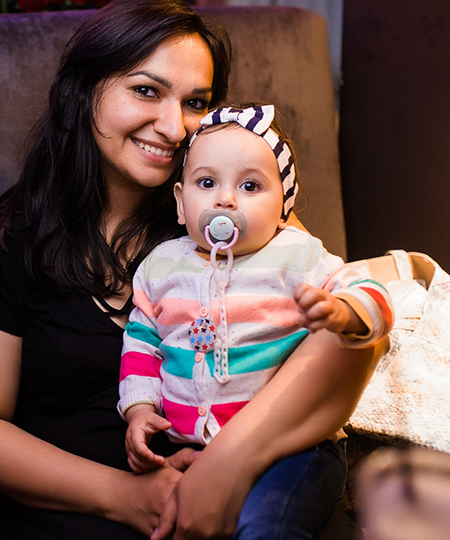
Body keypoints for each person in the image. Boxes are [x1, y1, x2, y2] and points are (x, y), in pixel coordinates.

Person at [0, 0, 387, 539]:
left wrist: (227, 467)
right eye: (146, 91)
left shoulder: (225, 213)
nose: (175, 128)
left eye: (196, 102)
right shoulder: (17, 233)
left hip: (246, 497)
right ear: (85, 90)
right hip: (85, 513)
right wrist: (125, 497)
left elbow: (353, 342)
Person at [119, 104, 394, 538]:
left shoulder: (296, 255)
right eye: (206, 183)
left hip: (295, 451)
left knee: (266, 526)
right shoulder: (160, 267)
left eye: (250, 186)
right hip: (188, 447)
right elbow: (141, 340)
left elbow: (369, 289)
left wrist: (345, 311)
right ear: (180, 202)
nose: (225, 199)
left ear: (283, 207)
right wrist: (139, 409)